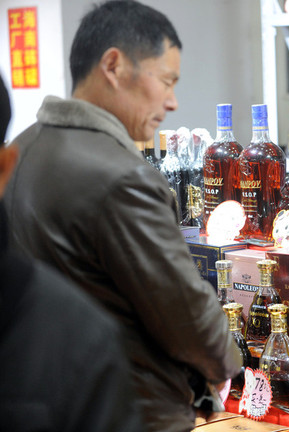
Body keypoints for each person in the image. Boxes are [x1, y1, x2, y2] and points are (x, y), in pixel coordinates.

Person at [4, 2, 241, 431]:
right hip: (129, 408)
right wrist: (228, 359)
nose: (172, 102)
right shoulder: (124, 177)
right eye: (166, 80)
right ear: (113, 65)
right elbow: (189, 317)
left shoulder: (20, 150)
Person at [0, 74, 143, 431]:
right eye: (166, 80)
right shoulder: (77, 335)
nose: (170, 100)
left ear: (4, 168)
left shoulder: (77, 340)